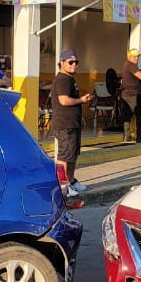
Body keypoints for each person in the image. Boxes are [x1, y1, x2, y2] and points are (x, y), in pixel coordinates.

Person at [51, 49, 93, 197]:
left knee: (72, 155)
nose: (74, 65)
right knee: (64, 156)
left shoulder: (69, 79)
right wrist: (81, 100)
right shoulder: (62, 79)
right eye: (70, 62)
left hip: (72, 123)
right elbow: (64, 100)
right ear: (62, 63)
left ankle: (71, 181)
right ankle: (62, 186)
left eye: (76, 62)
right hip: (64, 125)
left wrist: (79, 116)